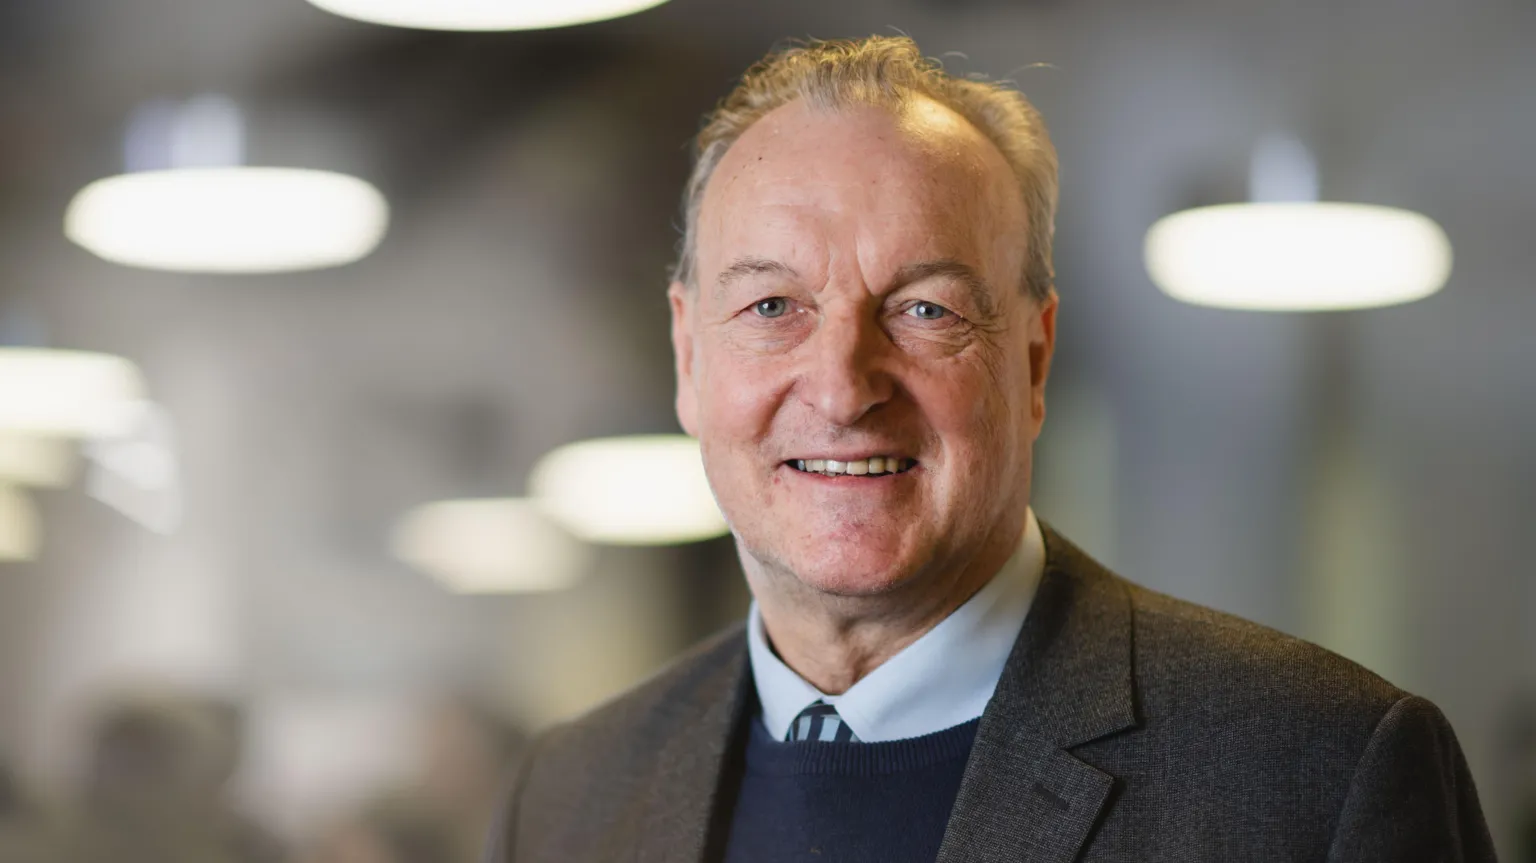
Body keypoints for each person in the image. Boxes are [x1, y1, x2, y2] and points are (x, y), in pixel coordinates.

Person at [487, 35, 1495, 862]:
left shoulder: (1319, 772)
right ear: (688, 354)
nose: (842, 386)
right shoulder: (567, 796)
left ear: (1034, 357)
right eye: (772, 305)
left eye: (925, 308)